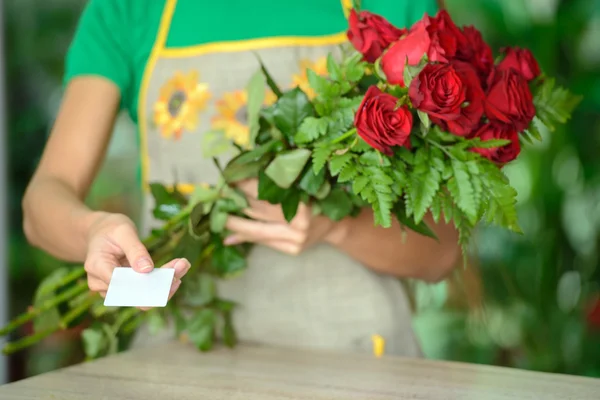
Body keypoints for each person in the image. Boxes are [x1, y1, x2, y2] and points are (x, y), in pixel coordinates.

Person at [22, 0, 459, 356]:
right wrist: (91, 231)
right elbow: (42, 203)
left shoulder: (392, 7)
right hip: (179, 361)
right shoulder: (130, 10)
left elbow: (441, 253)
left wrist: (336, 228)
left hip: (359, 364)